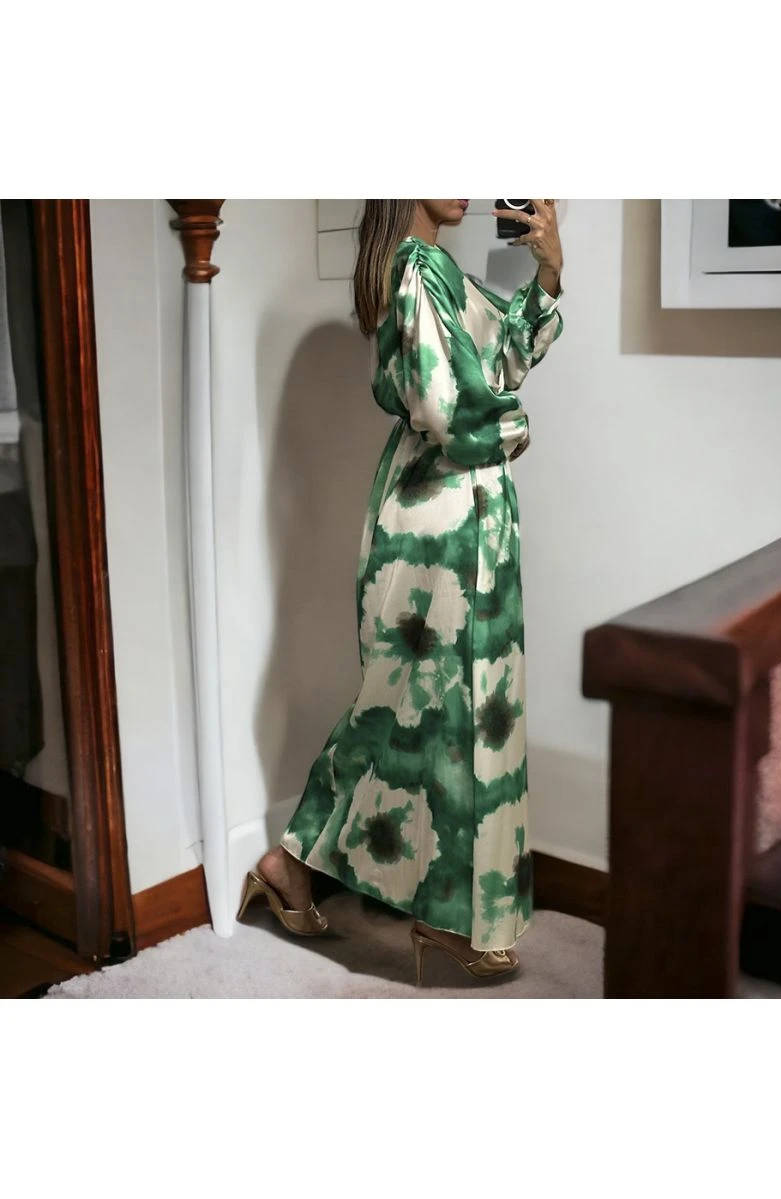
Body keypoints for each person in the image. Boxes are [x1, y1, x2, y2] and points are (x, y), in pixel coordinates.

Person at [237, 199, 564, 984]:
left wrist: (550, 268)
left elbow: (503, 360)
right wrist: (513, 431)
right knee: (412, 710)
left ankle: (418, 902)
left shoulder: (439, 270)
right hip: (436, 523)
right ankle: (317, 873)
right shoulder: (414, 270)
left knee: (457, 713)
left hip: (465, 515)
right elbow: (446, 408)